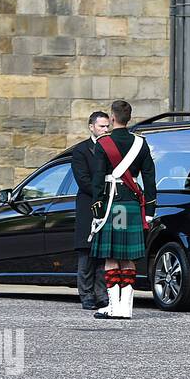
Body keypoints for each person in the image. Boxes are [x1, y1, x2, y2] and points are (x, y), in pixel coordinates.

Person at [89, 99, 156, 320]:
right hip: (132, 204)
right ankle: (125, 308)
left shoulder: (103, 143)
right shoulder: (141, 143)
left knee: (111, 257)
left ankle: (114, 307)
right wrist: (150, 209)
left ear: (112, 118)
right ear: (129, 118)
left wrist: (97, 209)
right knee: (128, 257)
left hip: (112, 204)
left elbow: (98, 179)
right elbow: (149, 178)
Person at [71, 110, 111, 313]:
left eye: (107, 126)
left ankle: (102, 295)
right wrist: (102, 194)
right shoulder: (81, 151)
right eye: (102, 126)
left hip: (108, 203)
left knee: (102, 254)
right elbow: (83, 180)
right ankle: (86, 295)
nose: (105, 129)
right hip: (88, 205)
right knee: (86, 253)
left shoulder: (111, 149)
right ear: (91, 127)